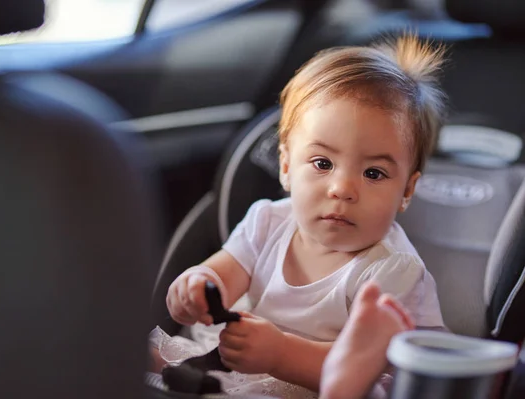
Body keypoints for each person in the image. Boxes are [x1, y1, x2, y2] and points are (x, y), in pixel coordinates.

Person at [149, 34, 448, 398]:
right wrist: (196, 289)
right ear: (287, 166)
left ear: (406, 191)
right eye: (323, 163)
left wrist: (281, 354)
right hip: (236, 362)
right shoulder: (268, 221)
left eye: (373, 173)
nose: (342, 188)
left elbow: (378, 371)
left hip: (314, 381)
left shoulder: (392, 272)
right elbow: (221, 275)